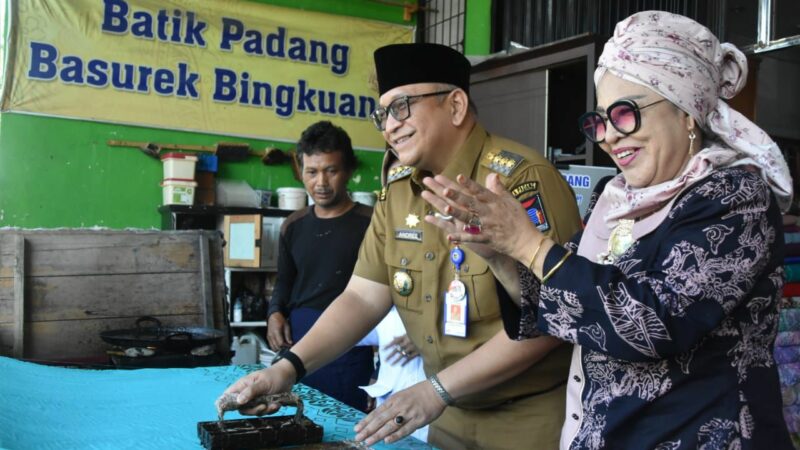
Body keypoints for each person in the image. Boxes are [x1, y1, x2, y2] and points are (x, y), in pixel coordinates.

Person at [422, 11, 794, 449]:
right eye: (599, 121)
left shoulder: (735, 196)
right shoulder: (613, 198)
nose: (608, 138)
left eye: (625, 114)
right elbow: (569, 305)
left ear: (687, 112)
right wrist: (500, 253)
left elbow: (657, 322)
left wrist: (527, 243)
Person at [220, 43, 582, 449]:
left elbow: (557, 317)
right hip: (449, 416)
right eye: (383, 114)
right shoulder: (398, 192)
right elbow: (362, 296)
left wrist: (435, 390)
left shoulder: (520, 181)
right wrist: (286, 369)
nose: (389, 126)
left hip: (530, 419)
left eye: (402, 107)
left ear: (456, 106)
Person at [265, 120, 374, 412]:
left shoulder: (372, 224)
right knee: (299, 418)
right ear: (301, 172)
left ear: (348, 170)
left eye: (331, 171)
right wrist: (275, 312)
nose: (321, 183)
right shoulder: (293, 225)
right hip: (299, 339)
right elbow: (285, 281)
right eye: (312, 172)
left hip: (352, 340)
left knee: (345, 421)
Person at [357, 306, 429, 442]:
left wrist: (430, 338)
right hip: (390, 403)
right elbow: (351, 330)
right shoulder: (386, 305)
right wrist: (376, 373)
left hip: (438, 406)